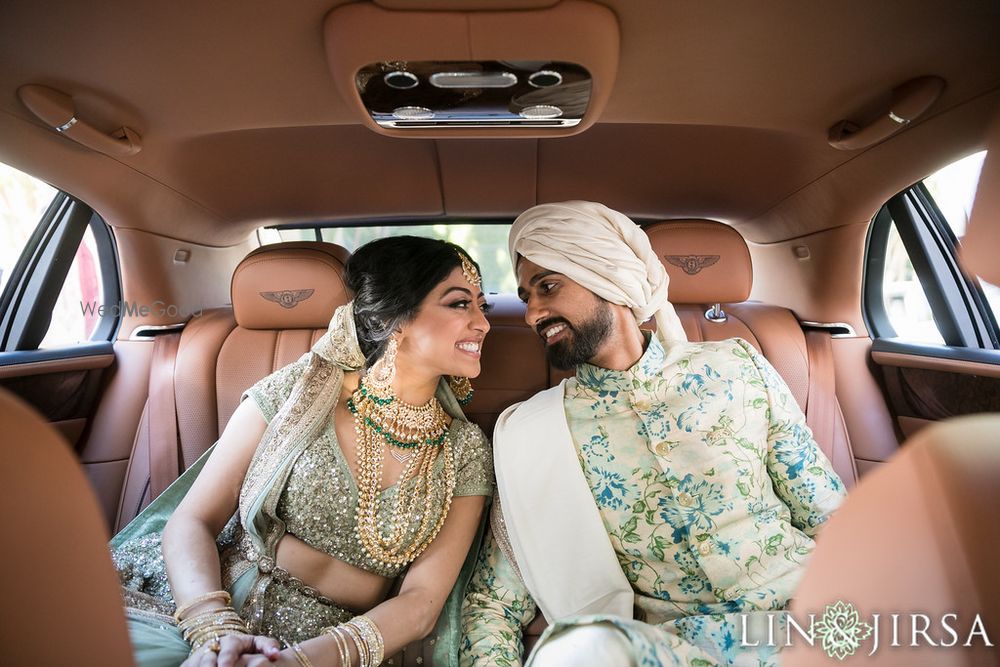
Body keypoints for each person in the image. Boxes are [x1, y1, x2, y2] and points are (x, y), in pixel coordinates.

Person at [460, 202, 846, 666]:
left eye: (548, 286)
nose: (532, 314)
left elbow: (828, 517)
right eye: (527, 297)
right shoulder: (535, 433)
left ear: (609, 278)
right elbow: (494, 603)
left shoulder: (737, 368)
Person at [113, 236, 494, 667]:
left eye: (484, 306)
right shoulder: (298, 395)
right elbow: (192, 520)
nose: (483, 323)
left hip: (336, 650)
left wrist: (298, 662)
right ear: (396, 317)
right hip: (202, 608)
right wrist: (214, 635)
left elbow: (423, 602)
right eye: (461, 304)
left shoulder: (464, 451)